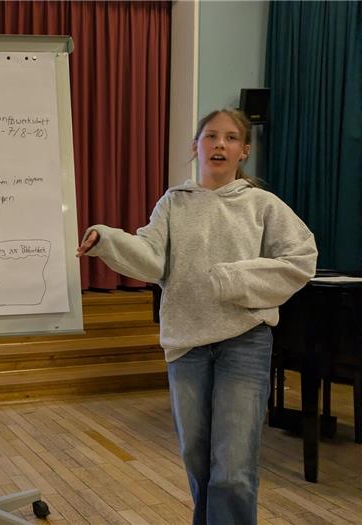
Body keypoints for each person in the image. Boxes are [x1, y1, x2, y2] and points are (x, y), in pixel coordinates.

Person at [77, 109, 318, 524]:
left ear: (244, 150)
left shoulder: (262, 205)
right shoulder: (174, 202)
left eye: (229, 138)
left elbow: (301, 259)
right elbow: (151, 259)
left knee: (234, 465)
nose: (219, 144)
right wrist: (107, 239)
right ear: (196, 147)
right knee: (196, 456)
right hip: (186, 341)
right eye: (210, 136)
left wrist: (232, 278)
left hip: (245, 340)